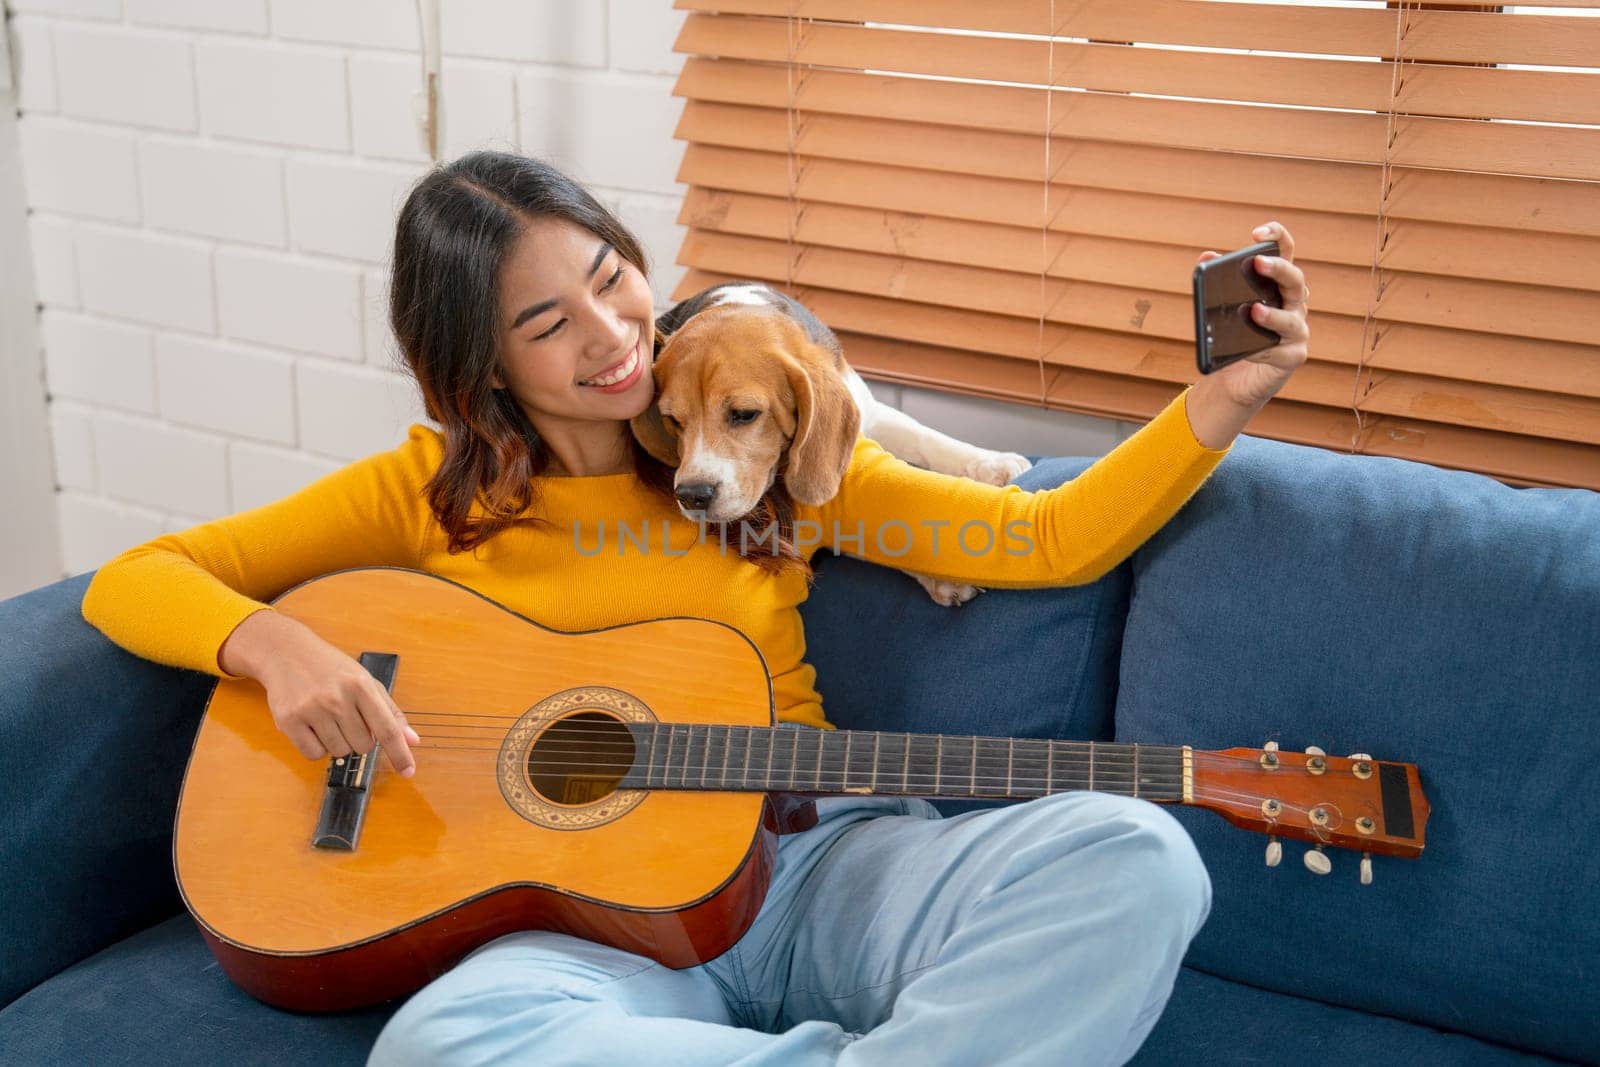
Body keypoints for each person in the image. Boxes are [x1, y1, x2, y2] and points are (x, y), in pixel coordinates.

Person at [81, 151, 1310, 1066]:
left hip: (817, 859)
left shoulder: (766, 451)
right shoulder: (427, 491)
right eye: (547, 322)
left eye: (614, 280)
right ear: (481, 364)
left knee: (1133, 853)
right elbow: (136, 578)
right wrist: (272, 641)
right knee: (442, 1044)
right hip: (586, 924)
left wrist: (1233, 393)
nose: (614, 334)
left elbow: (1051, 538)